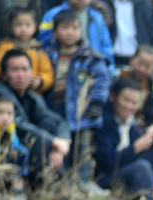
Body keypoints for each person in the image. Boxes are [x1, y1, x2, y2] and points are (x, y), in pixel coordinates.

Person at [92, 76, 153, 200]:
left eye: (134, 103)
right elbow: (107, 162)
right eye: (125, 100)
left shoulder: (131, 123)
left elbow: (151, 148)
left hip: (126, 168)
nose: (129, 106)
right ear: (113, 97)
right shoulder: (103, 121)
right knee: (142, 167)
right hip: (106, 176)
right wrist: (135, 148)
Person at [0, 47, 71, 183]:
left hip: (34, 148)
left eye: (25, 69)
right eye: (15, 70)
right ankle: (40, 184)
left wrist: (62, 142)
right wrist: (53, 142)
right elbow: (18, 124)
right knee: (37, 137)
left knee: (49, 124)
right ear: (4, 75)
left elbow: (60, 122)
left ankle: (57, 182)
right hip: (7, 149)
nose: (20, 75)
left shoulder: (32, 97)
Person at [45, 9, 108, 182]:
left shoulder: (90, 56)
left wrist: (96, 103)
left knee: (82, 151)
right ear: (55, 32)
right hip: (56, 110)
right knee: (61, 148)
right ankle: (61, 184)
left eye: (75, 28)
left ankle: (82, 184)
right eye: (65, 28)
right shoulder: (48, 54)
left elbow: (101, 80)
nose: (70, 32)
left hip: (83, 113)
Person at [38, 0, 114, 75]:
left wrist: (108, 70)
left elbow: (106, 46)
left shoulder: (97, 17)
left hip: (91, 68)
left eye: (75, 28)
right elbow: (44, 44)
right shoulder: (52, 15)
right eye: (65, 27)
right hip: (58, 67)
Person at [0, 7, 55, 95]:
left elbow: (48, 73)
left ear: (35, 27)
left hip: (32, 91)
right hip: (8, 89)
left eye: (28, 25)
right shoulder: (5, 46)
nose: (23, 29)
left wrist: (41, 81)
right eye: (18, 25)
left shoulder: (37, 49)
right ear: (10, 26)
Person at [117, 43, 153, 127]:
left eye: (147, 67)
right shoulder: (120, 75)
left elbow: (151, 111)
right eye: (140, 63)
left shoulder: (151, 85)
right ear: (132, 59)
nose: (142, 69)